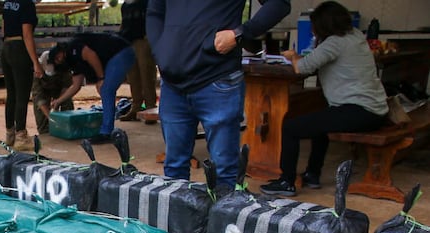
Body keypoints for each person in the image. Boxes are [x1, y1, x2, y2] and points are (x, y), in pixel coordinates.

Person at [147, 0, 291, 187]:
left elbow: (279, 3)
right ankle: (178, 216)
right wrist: (161, 52)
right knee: (174, 168)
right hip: (173, 85)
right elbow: (154, 13)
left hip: (217, 80)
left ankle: (221, 215)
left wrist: (239, 33)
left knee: (224, 171)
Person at [259, 1, 388, 196]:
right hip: (375, 111)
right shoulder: (355, 36)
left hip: (359, 111)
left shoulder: (334, 43)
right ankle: (312, 174)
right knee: (320, 121)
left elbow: (303, 67)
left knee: (290, 127)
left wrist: (293, 56)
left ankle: (286, 181)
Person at [49, 33, 135, 145]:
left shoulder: (73, 47)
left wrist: (101, 78)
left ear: (61, 51)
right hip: (120, 53)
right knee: (105, 90)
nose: (59, 60)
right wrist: (58, 101)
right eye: (57, 60)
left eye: (58, 57)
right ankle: (107, 128)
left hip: (121, 52)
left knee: (106, 89)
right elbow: (76, 86)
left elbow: (91, 55)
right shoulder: (73, 62)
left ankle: (106, 132)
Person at [1, 0, 43, 151]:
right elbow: (27, 34)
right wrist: (36, 62)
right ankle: (21, 136)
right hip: (19, 48)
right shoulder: (27, 4)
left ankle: (9, 134)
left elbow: (3, 27)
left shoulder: (7, 3)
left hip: (6, 47)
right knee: (22, 95)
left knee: (11, 93)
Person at [118, 0, 157, 122]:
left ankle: (150, 107)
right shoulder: (125, 5)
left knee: (147, 73)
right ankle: (136, 107)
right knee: (133, 77)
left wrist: (150, 35)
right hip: (128, 41)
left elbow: (153, 18)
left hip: (143, 39)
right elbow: (123, 23)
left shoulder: (146, 2)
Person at [31, 50, 74, 134]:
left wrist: (58, 102)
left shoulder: (64, 68)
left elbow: (66, 89)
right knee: (41, 115)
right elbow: (38, 97)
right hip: (44, 91)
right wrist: (51, 117)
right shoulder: (37, 72)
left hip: (59, 90)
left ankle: (68, 127)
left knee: (67, 101)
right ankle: (45, 133)